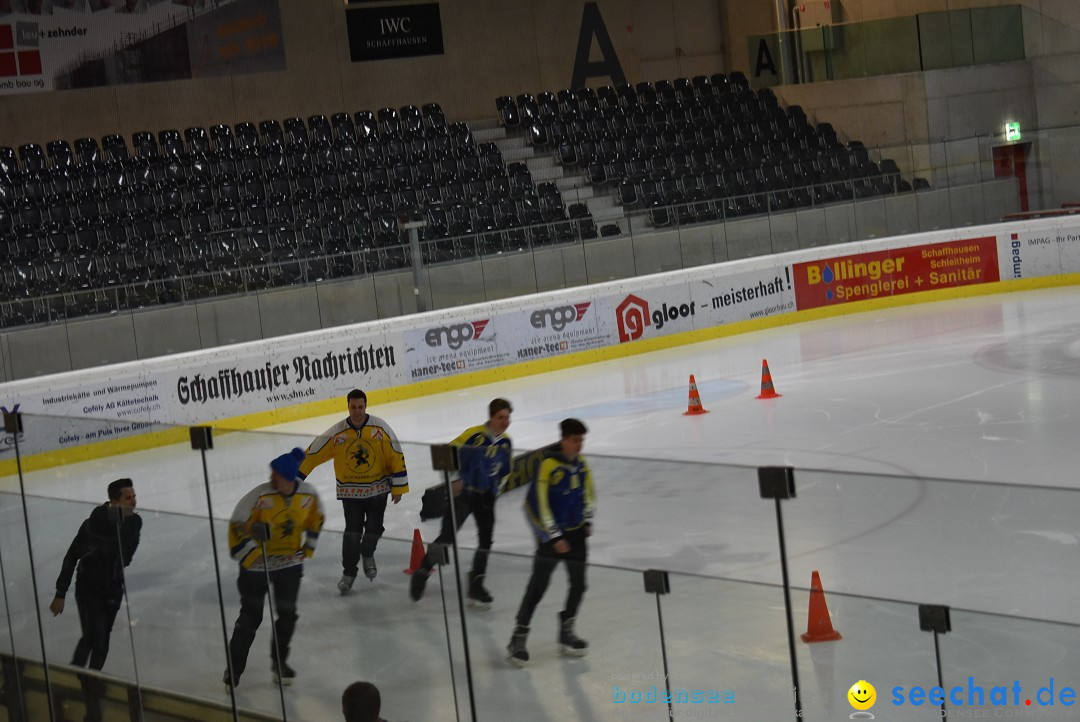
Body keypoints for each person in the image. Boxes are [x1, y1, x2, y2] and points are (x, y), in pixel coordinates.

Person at [224, 448, 324, 688]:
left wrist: (307, 549)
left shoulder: (308, 495)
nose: (271, 477)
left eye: (276, 474)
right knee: (250, 617)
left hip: (289, 566)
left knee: (287, 616)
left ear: (288, 478)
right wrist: (252, 553)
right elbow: (237, 524)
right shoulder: (258, 496)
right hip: (256, 569)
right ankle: (233, 670)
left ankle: (279, 664)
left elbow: (316, 520)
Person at [299, 389, 409, 593]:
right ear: (348, 407)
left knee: (375, 529)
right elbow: (314, 452)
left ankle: (367, 553)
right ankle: (349, 572)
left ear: (365, 406)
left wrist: (398, 486)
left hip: (378, 491)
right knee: (352, 534)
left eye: (360, 407)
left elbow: (395, 453)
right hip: (351, 494)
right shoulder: (338, 433)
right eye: (353, 407)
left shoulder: (380, 428)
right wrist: (297, 476)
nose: (357, 411)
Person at [507, 418, 594, 667]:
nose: (579, 445)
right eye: (575, 440)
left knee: (579, 585)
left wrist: (587, 520)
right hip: (551, 539)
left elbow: (590, 493)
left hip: (577, 535)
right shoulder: (547, 467)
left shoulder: (581, 465)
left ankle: (566, 628)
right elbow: (535, 505)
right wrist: (553, 536)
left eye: (582, 440)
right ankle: (519, 635)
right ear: (564, 440)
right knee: (538, 586)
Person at [410, 399, 513, 608]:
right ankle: (423, 569)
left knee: (486, 541)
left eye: (507, 417)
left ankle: (477, 583)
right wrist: (454, 480)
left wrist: (495, 492)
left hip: (485, 497)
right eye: (501, 417)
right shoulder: (473, 435)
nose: (505, 421)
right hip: (464, 495)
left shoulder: (506, 443)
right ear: (491, 417)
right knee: (447, 537)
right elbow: (444, 453)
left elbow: (505, 472)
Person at [49, 478, 141, 671]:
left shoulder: (135, 523)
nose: (133, 501)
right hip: (88, 587)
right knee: (92, 635)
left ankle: (92, 679)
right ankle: (76, 674)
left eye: (134, 496)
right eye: (128, 498)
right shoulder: (93, 524)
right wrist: (60, 593)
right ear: (115, 502)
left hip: (113, 588)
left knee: (103, 636)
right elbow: (71, 556)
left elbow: (126, 556)